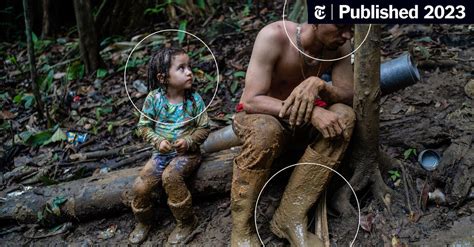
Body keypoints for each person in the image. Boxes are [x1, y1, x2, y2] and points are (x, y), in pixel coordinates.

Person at [231, 21, 356, 246]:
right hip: (262, 116)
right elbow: (249, 100)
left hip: (300, 124)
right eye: (339, 26)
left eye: (350, 28)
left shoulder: (339, 45)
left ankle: (290, 216)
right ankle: (242, 230)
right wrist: (311, 113)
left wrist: (320, 84)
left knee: (344, 117)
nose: (347, 35)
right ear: (316, 22)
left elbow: (347, 94)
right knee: (264, 131)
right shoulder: (274, 36)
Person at [128, 47, 210, 245]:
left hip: (188, 154)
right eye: (181, 68)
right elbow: (144, 127)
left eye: (188, 66)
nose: (189, 71)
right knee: (140, 186)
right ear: (163, 78)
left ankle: (186, 221)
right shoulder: (154, 99)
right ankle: (144, 221)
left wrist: (189, 141)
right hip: (161, 154)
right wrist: (158, 141)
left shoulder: (194, 100)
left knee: (171, 177)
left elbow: (205, 127)